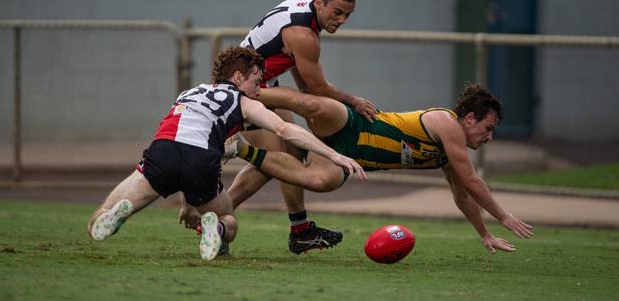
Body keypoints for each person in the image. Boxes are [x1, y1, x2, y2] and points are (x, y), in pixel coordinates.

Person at [87, 46, 365, 260]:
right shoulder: (242, 100)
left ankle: (113, 216)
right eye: (258, 80)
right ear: (238, 77)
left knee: (96, 219)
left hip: (162, 151)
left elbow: (184, 140)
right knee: (228, 220)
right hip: (201, 161)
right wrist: (335, 155)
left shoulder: (190, 92)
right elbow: (284, 130)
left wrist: (186, 205)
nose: (261, 87)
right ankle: (216, 229)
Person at [225, 84, 534, 254]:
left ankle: (240, 149)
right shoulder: (446, 123)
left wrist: (485, 234)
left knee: (318, 181)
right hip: (353, 124)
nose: (489, 138)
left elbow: (463, 193)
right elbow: (472, 180)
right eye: (488, 128)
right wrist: (503, 216)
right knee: (314, 106)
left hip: (348, 157)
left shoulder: (448, 156)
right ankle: (245, 94)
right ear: (468, 118)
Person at [231, 0, 378, 254]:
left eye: (348, 15)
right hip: (244, 92)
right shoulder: (304, 34)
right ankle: (216, 217)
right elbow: (318, 86)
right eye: (338, 12)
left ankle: (300, 231)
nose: (342, 20)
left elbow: (297, 67)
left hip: (262, 86)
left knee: (292, 153)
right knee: (273, 163)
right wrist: (354, 102)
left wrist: (305, 99)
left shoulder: (305, 8)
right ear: (320, 2)